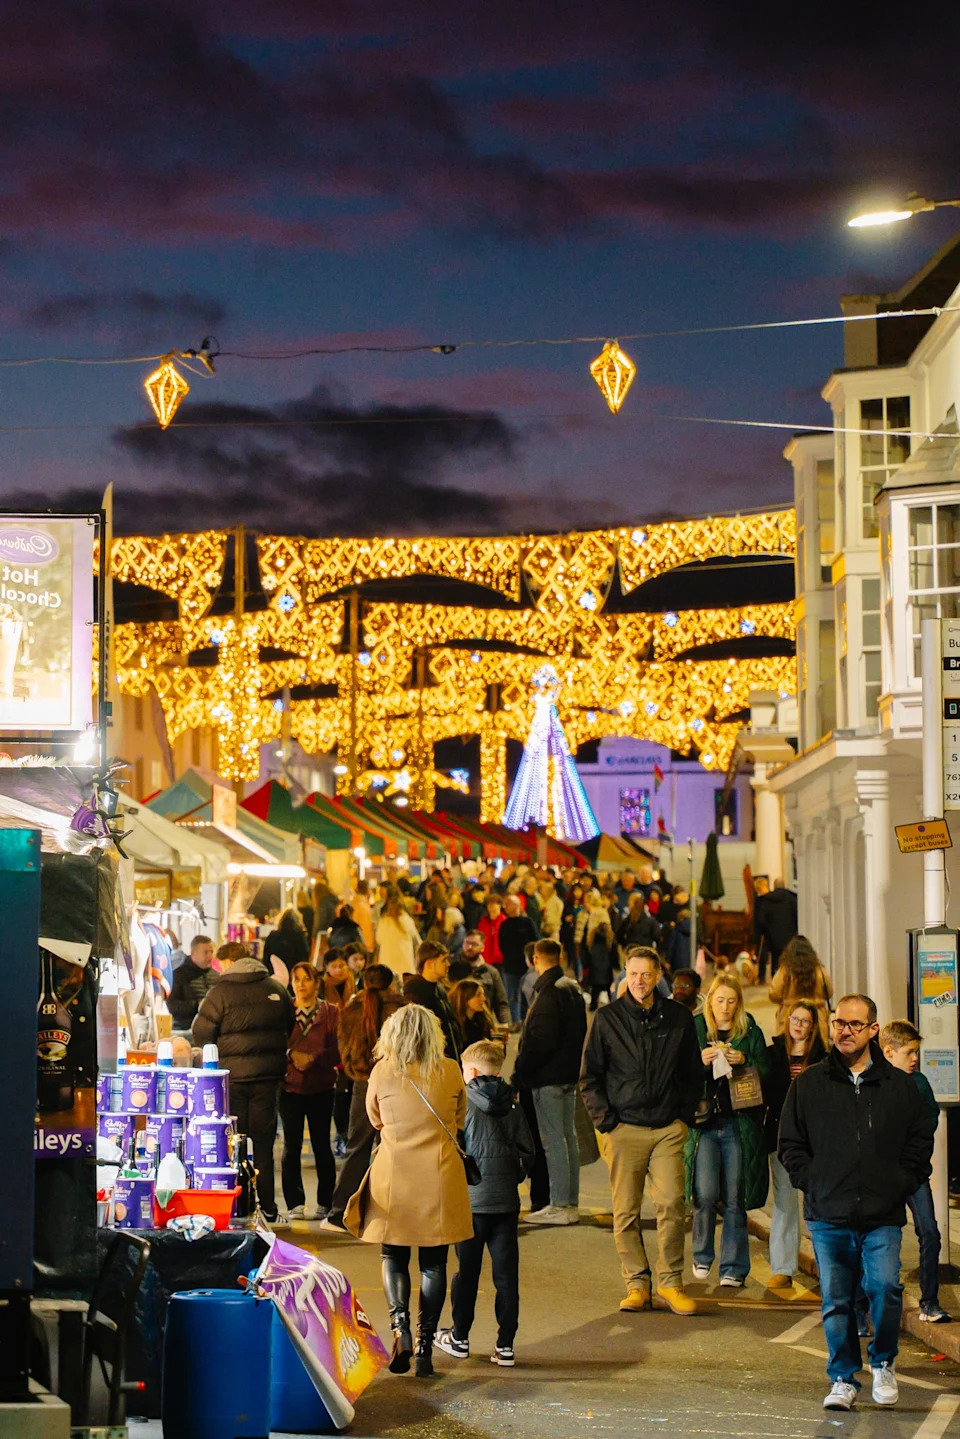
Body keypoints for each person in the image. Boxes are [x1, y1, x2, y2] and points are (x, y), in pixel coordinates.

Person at [779, 994, 936, 1411]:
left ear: (872, 1031)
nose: (844, 1031)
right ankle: (843, 1378)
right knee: (837, 1300)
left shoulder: (899, 1087)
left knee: (885, 1288)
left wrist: (900, 1184)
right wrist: (812, 1183)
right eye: (838, 1023)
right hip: (828, 1213)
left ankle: (882, 1361)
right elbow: (791, 1143)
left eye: (854, 1024)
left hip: (882, 1214)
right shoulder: (810, 1083)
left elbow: (920, 1142)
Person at [349, 1004, 473, 1377]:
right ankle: (424, 1346)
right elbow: (459, 1118)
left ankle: (400, 1328)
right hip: (439, 1177)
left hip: (395, 1176)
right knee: (434, 1262)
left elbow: (375, 1118)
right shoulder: (450, 1071)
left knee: (393, 1255)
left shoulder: (383, 1072)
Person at [580, 947, 701, 1316]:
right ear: (624, 976)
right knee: (626, 1212)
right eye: (632, 974)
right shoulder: (607, 1019)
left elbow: (692, 1073)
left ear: (658, 976)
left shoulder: (679, 1018)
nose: (639, 981)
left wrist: (683, 1118)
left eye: (646, 975)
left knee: (670, 1204)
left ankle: (670, 1282)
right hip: (624, 1128)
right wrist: (607, 1124)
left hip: (667, 1127)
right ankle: (636, 1284)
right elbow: (589, 1077)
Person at [435, 1039, 536, 1368]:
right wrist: (513, 1177)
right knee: (506, 1277)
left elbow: (454, 1148)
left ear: (473, 1071)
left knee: (466, 1273)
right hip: (506, 1204)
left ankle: (460, 1337)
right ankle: (505, 1344)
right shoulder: (513, 1105)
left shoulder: (463, 1106)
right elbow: (529, 1152)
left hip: (471, 1204)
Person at [192, 941, 294, 1224]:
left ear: (228, 963)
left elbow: (201, 1033)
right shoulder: (275, 989)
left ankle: (238, 1204)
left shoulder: (219, 992)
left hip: (230, 1080)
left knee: (233, 1143)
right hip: (267, 1080)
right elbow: (290, 1024)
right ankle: (269, 1207)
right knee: (263, 1144)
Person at [684, 974, 769, 1287]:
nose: (725, 1007)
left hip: (738, 1123)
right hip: (704, 1123)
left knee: (735, 1197)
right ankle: (702, 1255)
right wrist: (699, 1061)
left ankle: (733, 1267)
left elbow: (768, 1073)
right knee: (704, 1194)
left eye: (731, 1001)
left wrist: (745, 1059)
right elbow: (679, 1071)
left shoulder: (750, 1031)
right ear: (710, 1001)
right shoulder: (695, 1028)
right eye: (720, 1000)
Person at [320, 964, 404, 1233]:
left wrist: (360, 1070)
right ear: (391, 983)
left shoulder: (353, 1008)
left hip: (363, 1082)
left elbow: (344, 1047)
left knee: (358, 1147)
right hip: (397, 1083)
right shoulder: (403, 1009)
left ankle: (340, 1212)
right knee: (392, 1147)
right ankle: (393, 1212)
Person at [879, 1020, 951, 1323]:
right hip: (882, 1176)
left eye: (916, 1052)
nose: (915, 1058)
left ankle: (929, 1302)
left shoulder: (919, 1083)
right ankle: (868, 1306)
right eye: (909, 1052)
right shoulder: (876, 1083)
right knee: (881, 1237)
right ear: (888, 1052)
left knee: (930, 1232)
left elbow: (928, 1124)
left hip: (914, 1173)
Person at [512, 939, 587, 1226]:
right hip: (568, 1075)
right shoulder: (571, 989)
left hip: (548, 1079)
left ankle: (559, 1204)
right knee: (568, 1139)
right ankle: (570, 1202)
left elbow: (538, 1043)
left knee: (554, 1142)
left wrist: (519, 1075)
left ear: (535, 959)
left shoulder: (547, 995)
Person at [764, 1000, 826, 1287]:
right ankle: (783, 1267)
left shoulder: (824, 1058)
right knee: (785, 1202)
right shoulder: (773, 1054)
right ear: (787, 1021)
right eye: (795, 1019)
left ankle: (827, 1266)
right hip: (781, 1138)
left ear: (813, 1026)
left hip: (816, 1141)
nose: (799, 1025)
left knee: (818, 1204)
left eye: (805, 1021)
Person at [279, 961, 340, 1220]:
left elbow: (339, 1049)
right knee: (290, 1145)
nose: (301, 984)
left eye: (306, 979)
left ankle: (325, 1202)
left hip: (321, 1087)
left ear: (317, 982)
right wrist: (292, 1054)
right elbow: (274, 1042)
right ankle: (294, 1203)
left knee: (321, 1145)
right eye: (296, 979)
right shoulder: (283, 1011)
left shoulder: (331, 1012)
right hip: (289, 1087)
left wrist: (314, 1058)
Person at [768, 935, 832, 1044]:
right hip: (817, 1019)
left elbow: (773, 994)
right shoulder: (820, 971)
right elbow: (829, 993)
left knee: (789, 1053)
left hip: (790, 1018)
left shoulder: (785, 971)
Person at [403, 941, 462, 1060]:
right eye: (443, 960)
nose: (448, 964)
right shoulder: (416, 992)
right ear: (430, 964)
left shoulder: (440, 988)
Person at [448, 931, 511, 1024]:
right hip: (457, 1023)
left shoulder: (491, 972)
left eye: (474, 944)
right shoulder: (451, 968)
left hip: (483, 1023)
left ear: (482, 947)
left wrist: (506, 1025)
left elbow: (501, 1003)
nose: (469, 947)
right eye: (467, 943)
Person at [498, 895, 539, 1025]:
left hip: (527, 966)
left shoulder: (527, 923)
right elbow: (502, 944)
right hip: (511, 965)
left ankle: (527, 1019)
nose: (506, 907)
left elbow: (535, 941)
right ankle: (516, 1021)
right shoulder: (504, 925)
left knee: (528, 993)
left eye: (508, 904)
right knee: (512, 995)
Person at [167, 934, 217, 1029]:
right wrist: (197, 1005)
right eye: (206, 952)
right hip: (185, 1028)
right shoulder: (179, 975)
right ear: (193, 953)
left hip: (211, 1028)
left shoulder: (216, 976)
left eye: (211, 952)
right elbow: (172, 1006)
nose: (210, 956)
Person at [755, 879, 798, 980]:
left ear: (774, 887)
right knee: (789, 960)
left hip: (773, 937)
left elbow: (761, 920)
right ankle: (789, 980)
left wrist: (766, 931)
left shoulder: (767, 900)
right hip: (790, 936)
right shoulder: (792, 899)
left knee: (776, 960)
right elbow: (797, 916)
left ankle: (776, 981)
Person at [449, 978, 505, 1048]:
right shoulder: (454, 1024)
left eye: (483, 994)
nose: (483, 998)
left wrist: (499, 1042)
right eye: (478, 995)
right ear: (465, 998)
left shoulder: (483, 1019)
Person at [376, 890, 421, 977]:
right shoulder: (407, 920)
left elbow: (378, 939)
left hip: (387, 960)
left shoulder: (383, 921)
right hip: (405, 960)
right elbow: (417, 939)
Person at [262, 905, 310, 987]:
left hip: (275, 978)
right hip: (294, 978)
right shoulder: (300, 937)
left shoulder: (273, 936)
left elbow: (266, 958)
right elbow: (304, 957)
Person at [584, 906, 616, 1011]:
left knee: (595, 992)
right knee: (609, 992)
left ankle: (593, 1007)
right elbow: (614, 959)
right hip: (606, 973)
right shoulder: (610, 943)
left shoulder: (592, 942)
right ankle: (613, 1009)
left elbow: (586, 959)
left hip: (595, 973)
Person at [477, 895, 506, 968]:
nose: (491, 906)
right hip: (485, 958)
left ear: (499, 905)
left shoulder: (505, 921)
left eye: (494, 903)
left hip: (500, 960)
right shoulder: (483, 921)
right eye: (489, 904)